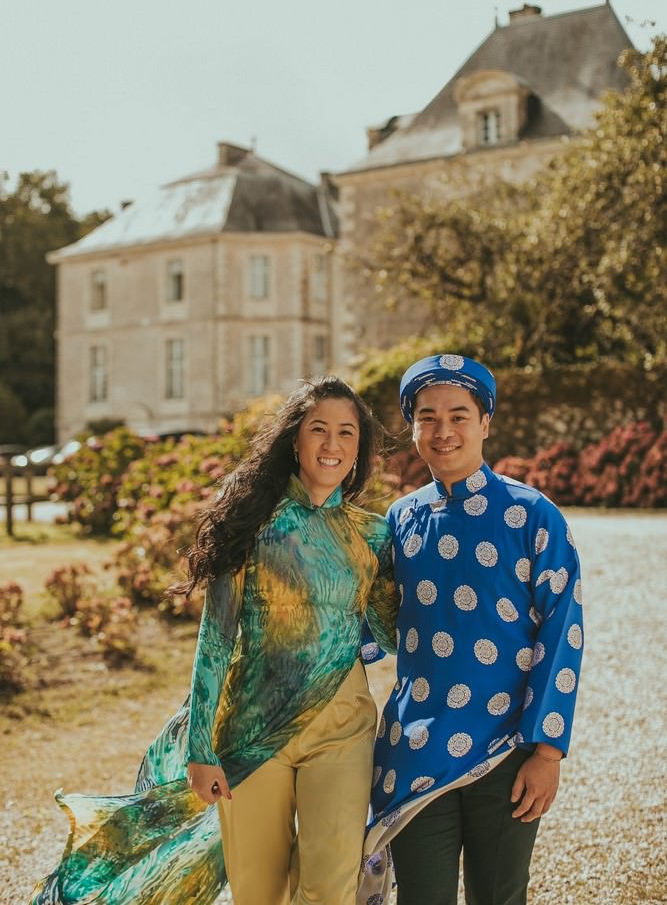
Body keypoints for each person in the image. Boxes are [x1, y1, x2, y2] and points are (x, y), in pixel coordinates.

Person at [30, 376, 398, 905]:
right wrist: (201, 749)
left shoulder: (373, 535)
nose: (332, 444)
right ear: (295, 440)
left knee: (332, 884)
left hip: (343, 728)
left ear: (359, 449)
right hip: (249, 730)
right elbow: (217, 638)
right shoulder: (251, 523)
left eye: (347, 432)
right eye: (319, 429)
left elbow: (393, 633)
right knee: (258, 891)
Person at [358, 353, 584, 905]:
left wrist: (547, 753)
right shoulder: (400, 520)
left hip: (507, 751)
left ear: (485, 423)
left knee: (499, 895)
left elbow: (563, 634)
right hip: (415, 751)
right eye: (428, 417)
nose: (444, 431)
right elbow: (366, 628)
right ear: (413, 428)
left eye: (458, 415)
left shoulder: (534, 516)